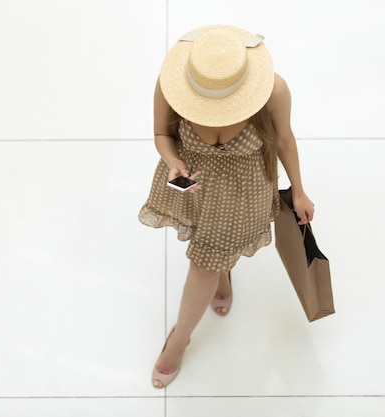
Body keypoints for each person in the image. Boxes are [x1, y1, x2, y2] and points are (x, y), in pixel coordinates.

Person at [138, 25, 315, 388]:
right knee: (214, 260)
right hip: (192, 186)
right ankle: (222, 277)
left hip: (244, 190)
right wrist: (172, 160)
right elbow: (161, 134)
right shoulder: (170, 85)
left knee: (203, 267)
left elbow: (284, 138)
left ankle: (179, 337)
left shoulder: (273, 91)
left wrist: (298, 190)